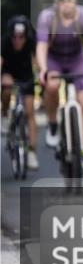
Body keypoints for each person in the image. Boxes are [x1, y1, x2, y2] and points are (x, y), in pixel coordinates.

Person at [36, 0, 83, 175]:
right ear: (56, 1)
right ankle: (53, 124)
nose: (66, 3)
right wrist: (43, 69)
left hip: (77, 59)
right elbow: (41, 46)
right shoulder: (47, 17)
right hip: (55, 60)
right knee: (52, 85)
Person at [1, 15, 40, 170]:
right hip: (8, 73)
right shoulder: (4, 42)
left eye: (21, 37)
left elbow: (37, 61)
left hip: (26, 75)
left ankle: (31, 152)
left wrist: (40, 74)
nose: (18, 40)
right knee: (7, 86)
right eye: (14, 37)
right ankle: (4, 114)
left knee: (30, 112)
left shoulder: (32, 42)